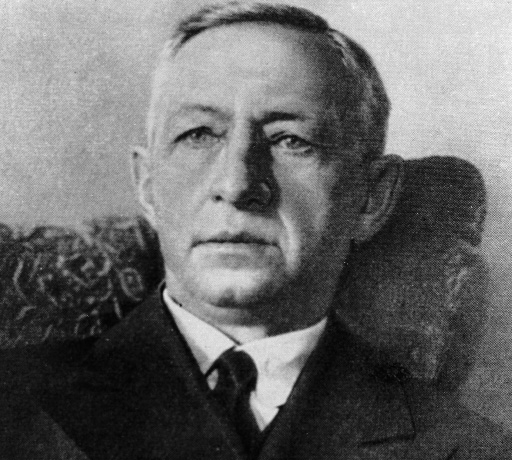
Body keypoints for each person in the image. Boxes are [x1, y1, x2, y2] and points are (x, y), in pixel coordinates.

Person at [1, 2, 511, 459]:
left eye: (291, 140)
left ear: (371, 197)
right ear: (148, 184)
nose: (237, 184)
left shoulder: (471, 448)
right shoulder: (12, 409)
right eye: (199, 134)